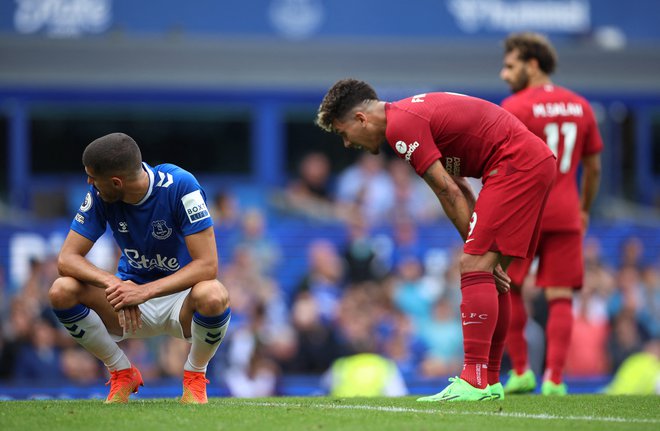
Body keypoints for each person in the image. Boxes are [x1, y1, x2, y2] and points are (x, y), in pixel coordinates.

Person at [316, 78, 556, 402]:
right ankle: (490, 381)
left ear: (361, 119)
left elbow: (447, 190)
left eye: (343, 133)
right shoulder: (410, 117)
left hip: (516, 164)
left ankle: (472, 380)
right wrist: (479, 245)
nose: (346, 144)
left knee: (473, 264)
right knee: (491, 274)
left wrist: (474, 246)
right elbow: (463, 188)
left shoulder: (401, 126)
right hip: (528, 162)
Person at [48, 132, 231, 404]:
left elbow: (208, 265)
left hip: (180, 300)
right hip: (127, 300)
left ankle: (195, 376)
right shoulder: (100, 195)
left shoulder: (181, 186)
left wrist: (144, 292)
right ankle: (121, 371)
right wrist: (116, 285)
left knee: (214, 294)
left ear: (116, 182)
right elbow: (67, 259)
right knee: (61, 290)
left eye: (92, 177)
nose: (89, 183)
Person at [499, 32, 603, 396]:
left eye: (510, 66)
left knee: (506, 284)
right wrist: (585, 209)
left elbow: (504, 164)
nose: (503, 74)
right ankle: (555, 380)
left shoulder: (516, 106)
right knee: (560, 296)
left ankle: (523, 370)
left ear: (532, 65)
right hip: (566, 212)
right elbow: (593, 167)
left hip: (527, 213)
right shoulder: (581, 106)